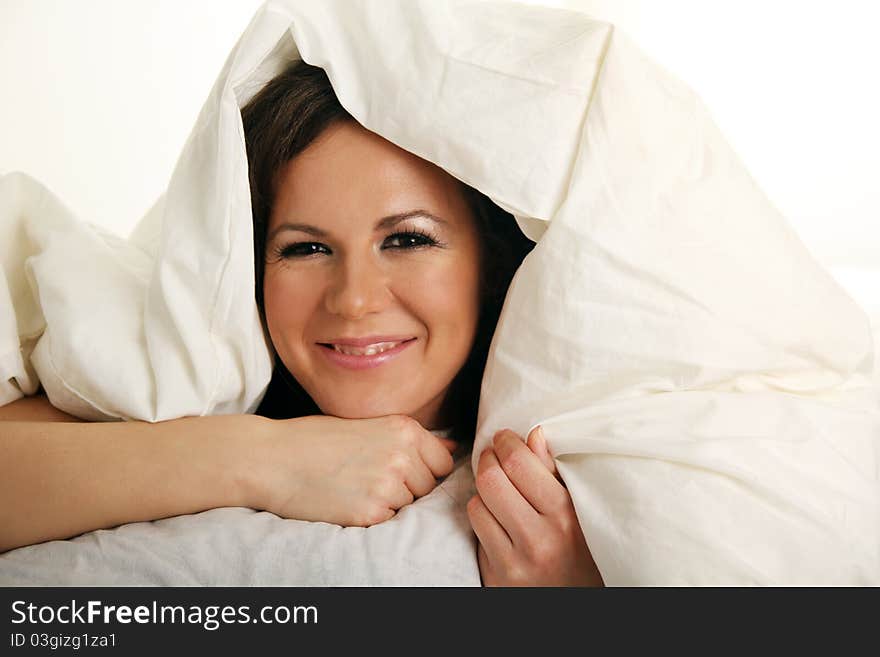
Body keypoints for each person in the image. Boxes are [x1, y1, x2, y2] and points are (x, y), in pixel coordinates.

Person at [0, 60, 602, 586]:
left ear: (490, 265)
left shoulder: (575, 481)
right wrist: (269, 459)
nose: (354, 300)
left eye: (406, 238)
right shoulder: (174, 393)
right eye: (305, 249)